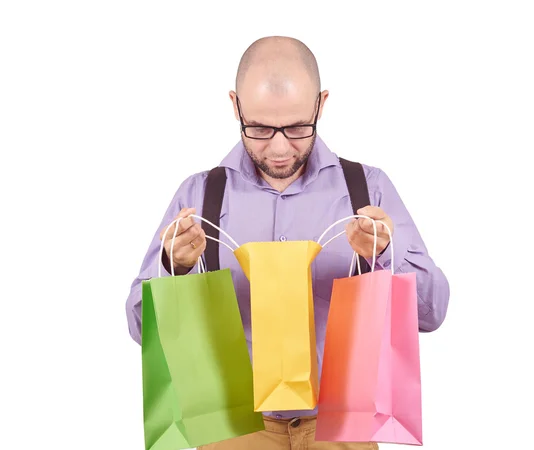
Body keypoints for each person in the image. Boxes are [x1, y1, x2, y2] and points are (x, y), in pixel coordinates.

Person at [126, 35, 450, 450]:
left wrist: (385, 256)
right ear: (235, 106)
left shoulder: (366, 190)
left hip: (342, 425)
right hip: (232, 425)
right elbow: (140, 328)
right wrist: (175, 268)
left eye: (297, 127)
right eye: (259, 128)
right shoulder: (199, 196)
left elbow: (431, 313)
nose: (279, 148)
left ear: (321, 103)